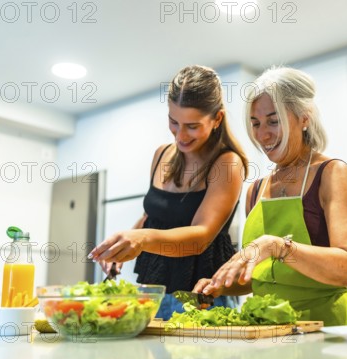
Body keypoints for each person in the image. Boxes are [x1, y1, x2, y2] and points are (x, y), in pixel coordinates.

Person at [194, 66, 347, 326]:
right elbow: (265, 279)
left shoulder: (331, 173)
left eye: (274, 121)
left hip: (328, 329)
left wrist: (277, 247)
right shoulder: (256, 190)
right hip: (271, 333)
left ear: (304, 118)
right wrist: (223, 286)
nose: (263, 135)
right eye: (256, 123)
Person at [88, 65, 248, 319]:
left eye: (192, 126)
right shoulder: (161, 155)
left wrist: (141, 241)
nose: (180, 135)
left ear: (217, 119)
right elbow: (154, 214)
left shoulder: (227, 163)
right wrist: (121, 246)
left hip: (203, 297)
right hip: (153, 291)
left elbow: (201, 237)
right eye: (174, 122)